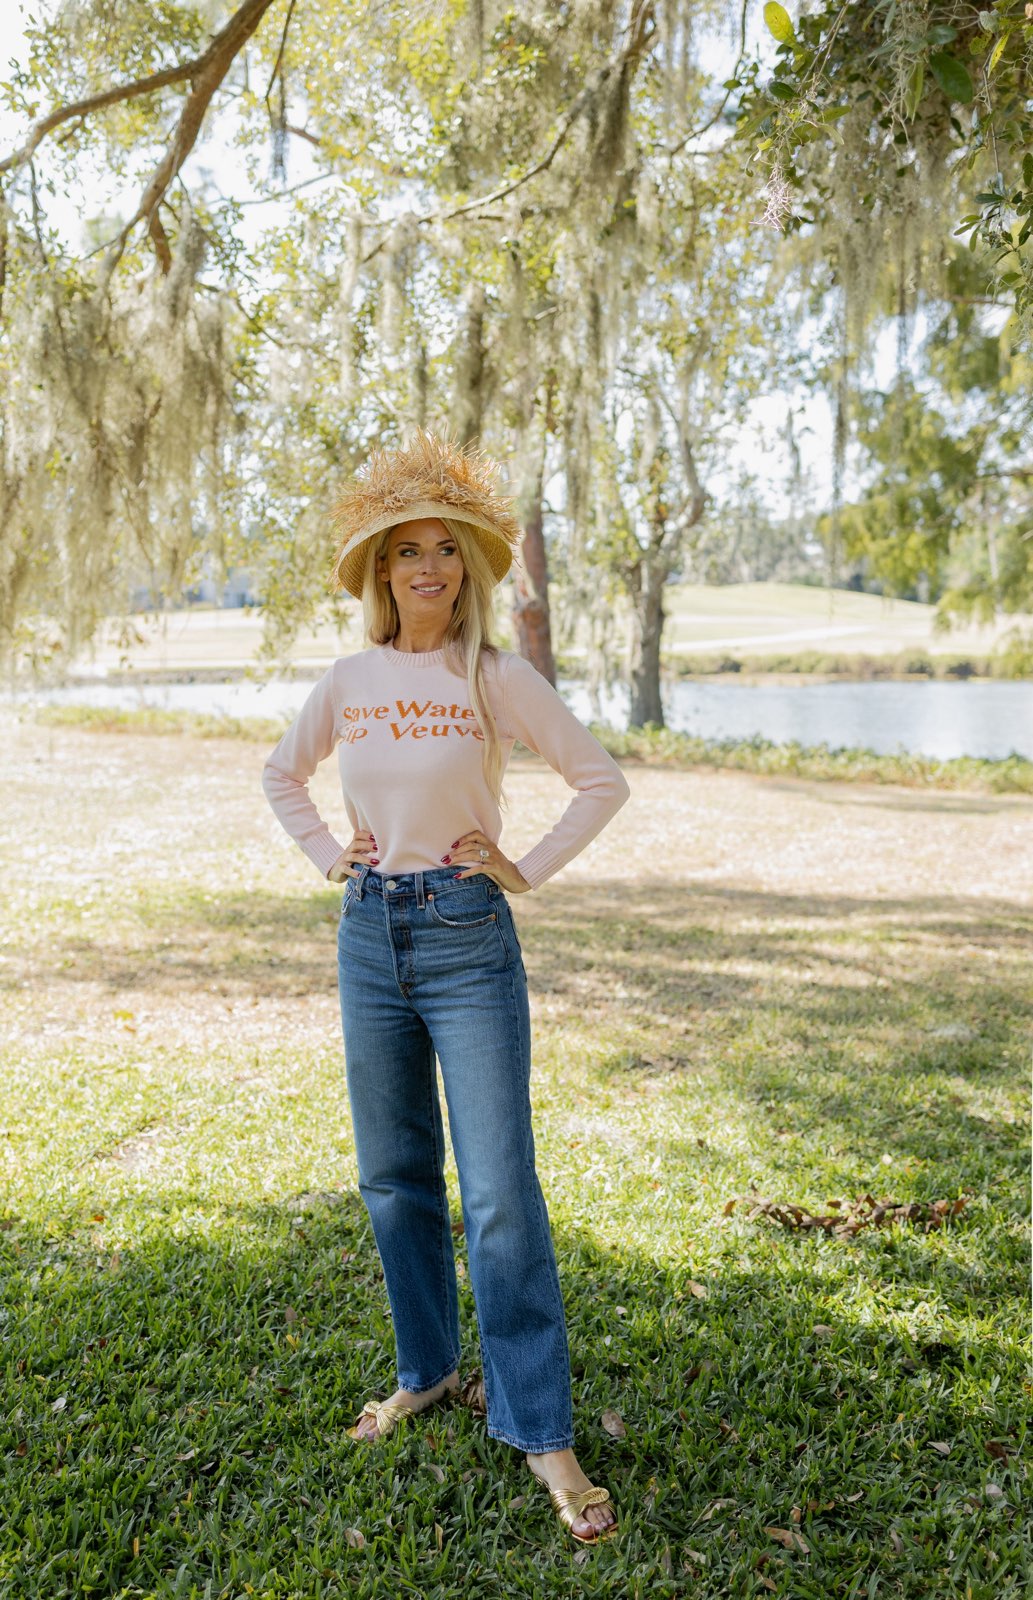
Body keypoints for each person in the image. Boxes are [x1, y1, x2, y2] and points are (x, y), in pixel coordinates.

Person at [261, 427, 630, 1544]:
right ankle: (424, 1369)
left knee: (502, 1189)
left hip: (468, 935)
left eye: (445, 550)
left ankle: (538, 1426)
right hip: (370, 935)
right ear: (380, 571)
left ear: (465, 568)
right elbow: (282, 774)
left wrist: (521, 869)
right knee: (392, 1176)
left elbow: (597, 780)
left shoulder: (492, 676)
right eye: (406, 551)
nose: (428, 567)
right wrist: (332, 854)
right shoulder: (350, 681)